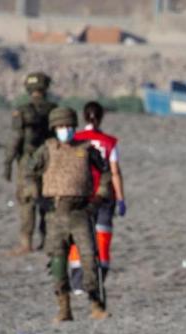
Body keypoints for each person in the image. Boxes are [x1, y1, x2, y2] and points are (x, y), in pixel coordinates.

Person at [28, 107, 111, 322]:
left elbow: (105, 174)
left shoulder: (86, 149)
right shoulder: (47, 150)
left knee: (90, 259)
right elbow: (29, 173)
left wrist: (98, 199)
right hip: (55, 213)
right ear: (54, 128)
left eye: (69, 126)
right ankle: (64, 308)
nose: (66, 130)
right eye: (61, 127)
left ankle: (96, 304)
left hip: (81, 212)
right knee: (58, 261)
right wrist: (38, 198)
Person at [68, 101, 126, 293]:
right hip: (104, 197)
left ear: (84, 116)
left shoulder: (75, 139)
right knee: (102, 238)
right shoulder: (110, 142)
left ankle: (77, 284)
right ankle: (98, 282)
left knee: (78, 238)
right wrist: (120, 198)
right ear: (101, 117)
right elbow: (115, 172)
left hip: (80, 195)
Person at [4, 71, 57, 256]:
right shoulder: (54, 109)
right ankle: (47, 241)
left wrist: (8, 163)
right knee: (47, 202)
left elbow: (16, 138)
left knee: (27, 202)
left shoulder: (23, 110)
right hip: (50, 159)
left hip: (27, 161)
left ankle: (26, 244)